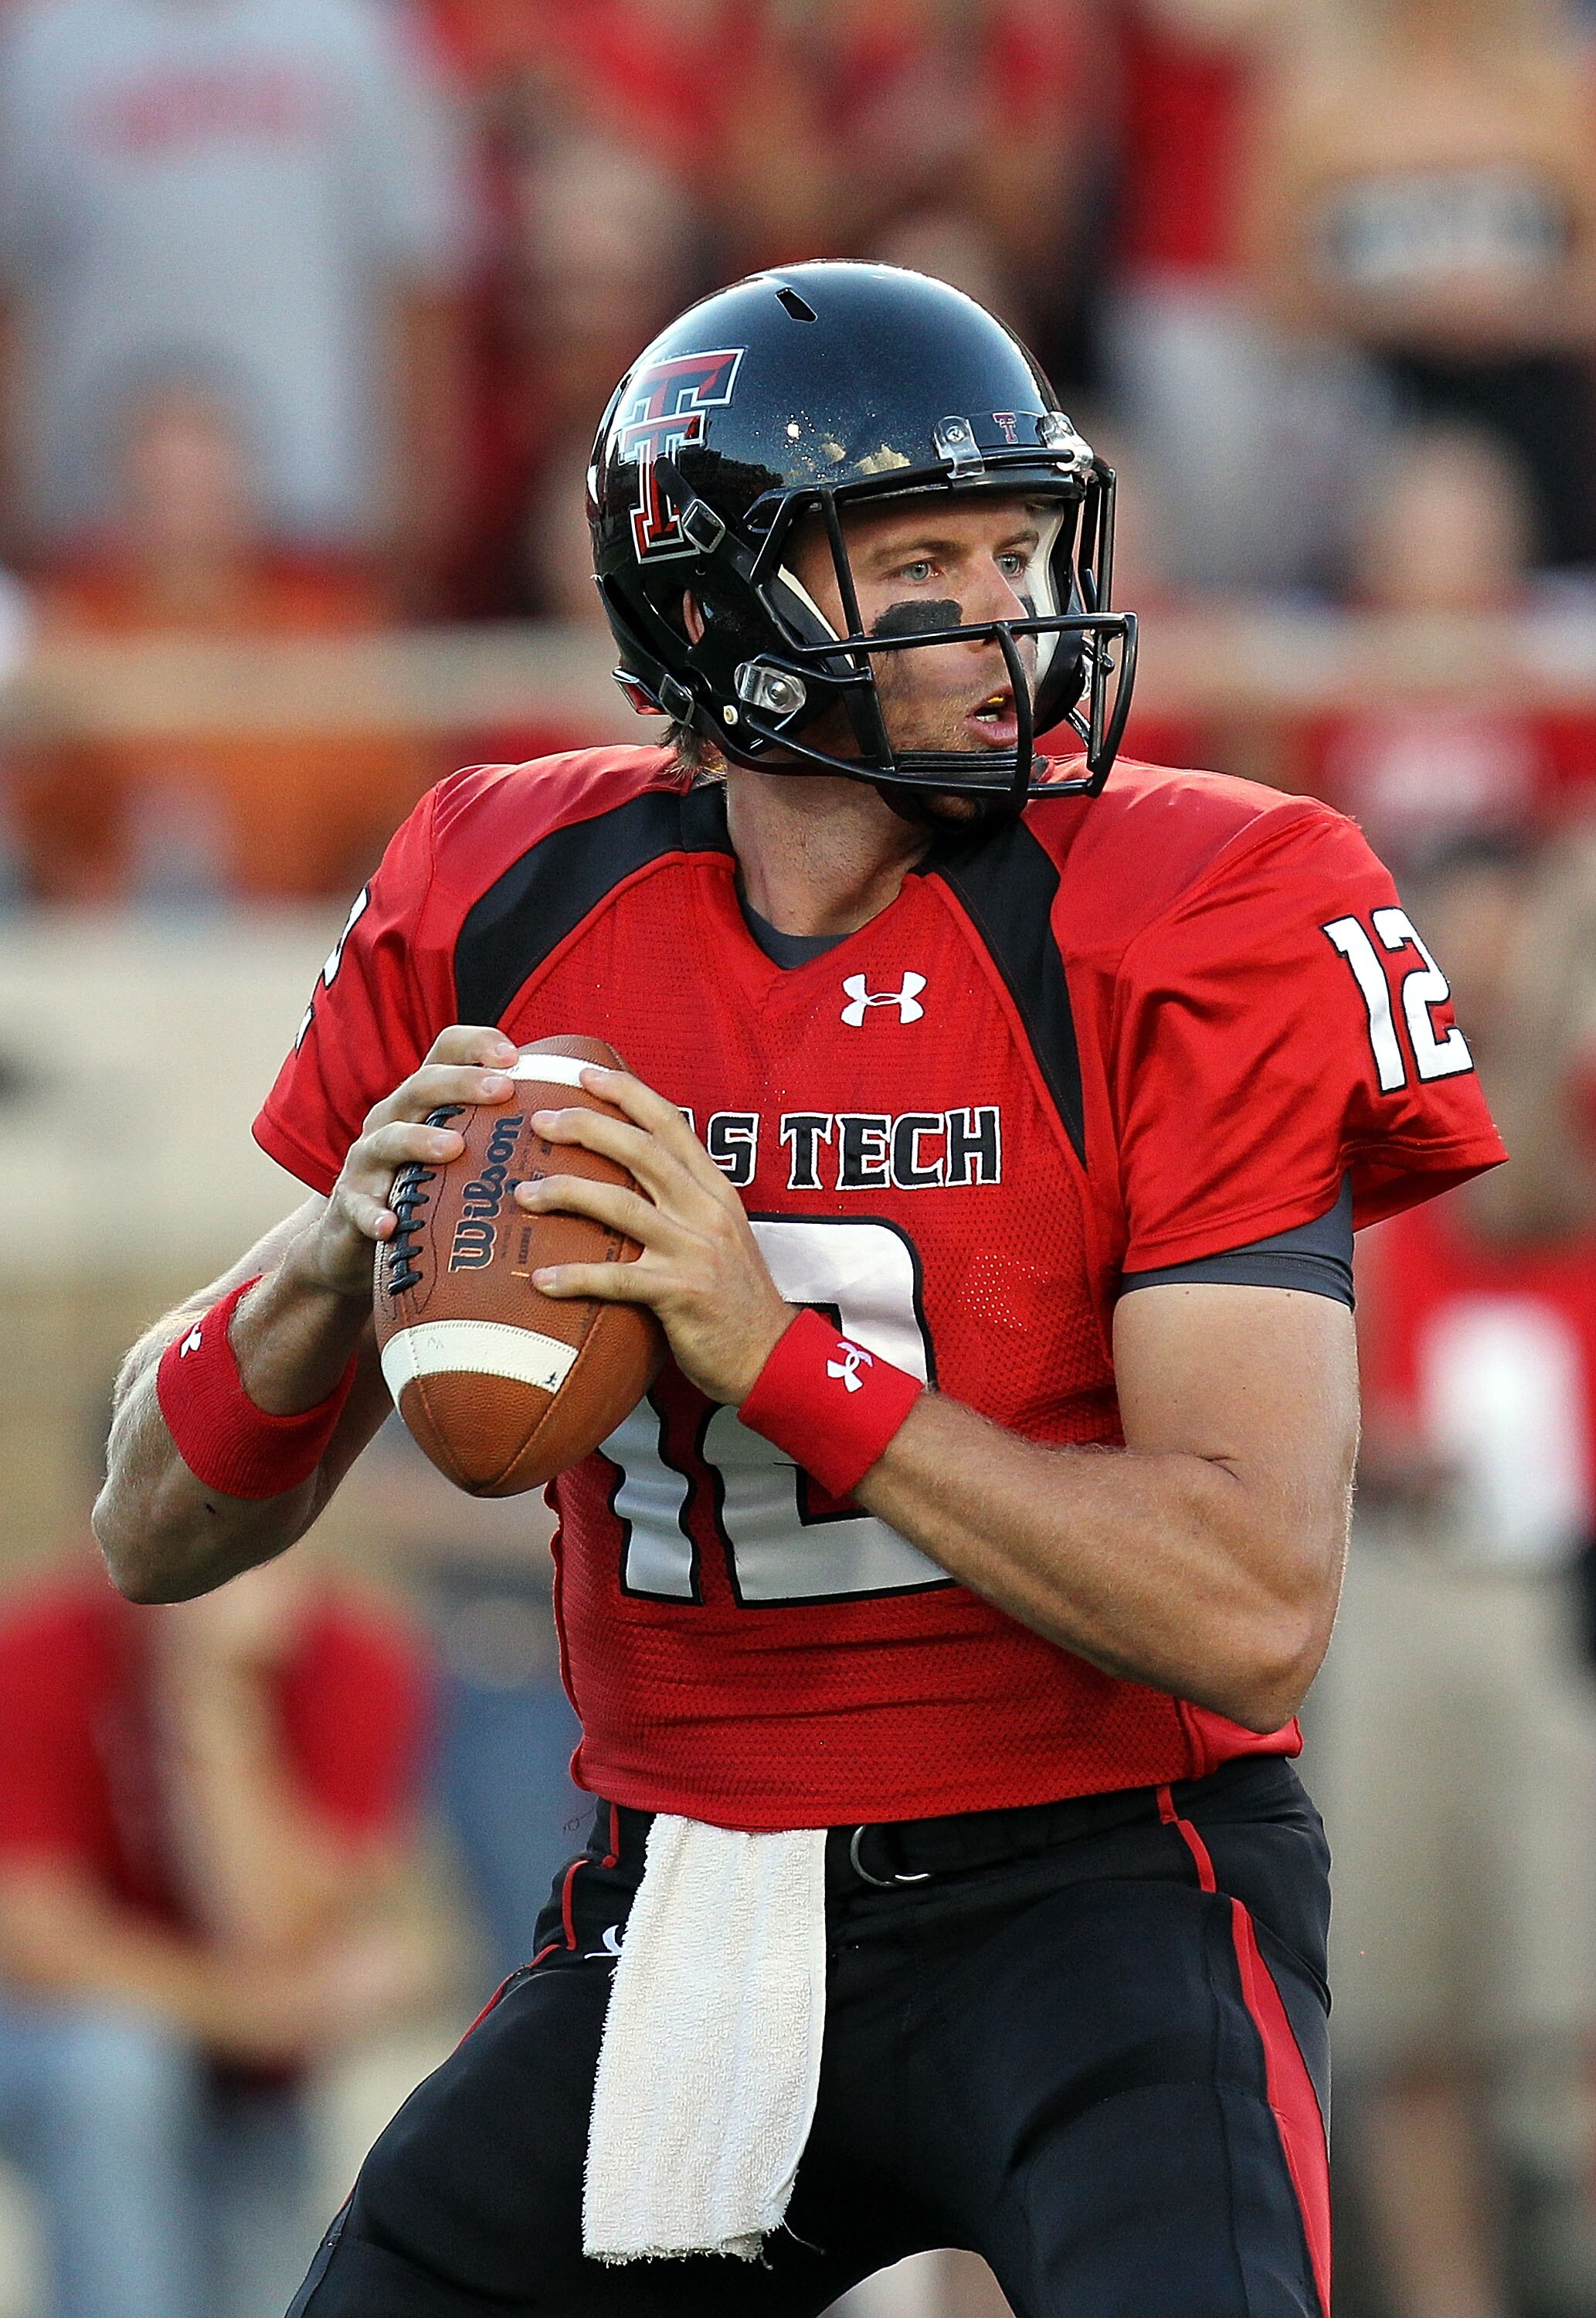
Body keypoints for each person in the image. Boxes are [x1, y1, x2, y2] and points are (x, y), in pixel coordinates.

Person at [93, 263, 1505, 2316]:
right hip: (685, 1895)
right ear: (712, 608)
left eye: (1019, 548)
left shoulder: (1204, 904)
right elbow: (149, 1524)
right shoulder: (509, 893)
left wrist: (770, 1353)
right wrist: (331, 1257)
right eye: (919, 562)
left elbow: (1248, 1597)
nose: (1005, 617)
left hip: (1101, 1880)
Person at [1310, 836, 1596, 2318]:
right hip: (1398, 1573)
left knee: (1567, 1997)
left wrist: (1538, 955)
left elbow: (1523, 1171)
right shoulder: (1349, 1103)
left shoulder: (1545, 1095)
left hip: (1550, 1586)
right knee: (1411, 2004)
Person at [0, 1552, 436, 2318]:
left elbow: (281, 1932)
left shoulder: (355, 1658)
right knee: (116, 2066)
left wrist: (216, 1698)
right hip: (59, 2035)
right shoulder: (37, 1648)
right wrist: (245, 2012)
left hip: (255, 2080)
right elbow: (36, 1939)